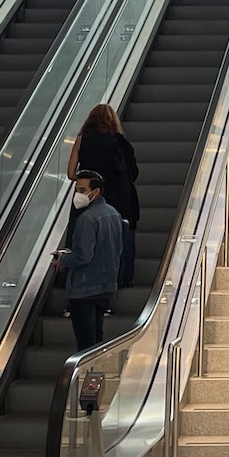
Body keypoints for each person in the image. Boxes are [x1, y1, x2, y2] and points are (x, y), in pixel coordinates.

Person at [68, 103, 140, 286]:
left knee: (81, 238)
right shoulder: (118, 141)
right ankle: (114, 283)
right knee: (109, 243)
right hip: (114, 200)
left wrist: (86, 179)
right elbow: (133, 173)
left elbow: (70, 174)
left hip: (87, 198)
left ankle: (76, 284)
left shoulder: (82, 139)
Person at [54, 171, 124, 351]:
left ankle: (85, 376)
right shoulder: (113, 213)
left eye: (83, 190)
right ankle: (95, 375)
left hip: (84, 288)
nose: (78, 194)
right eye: (77, 190)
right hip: (106, 285)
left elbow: (83, 255)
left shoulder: (87, 218)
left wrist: (63, 259)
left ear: (96, 191)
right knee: (96, 340)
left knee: (85, 343)